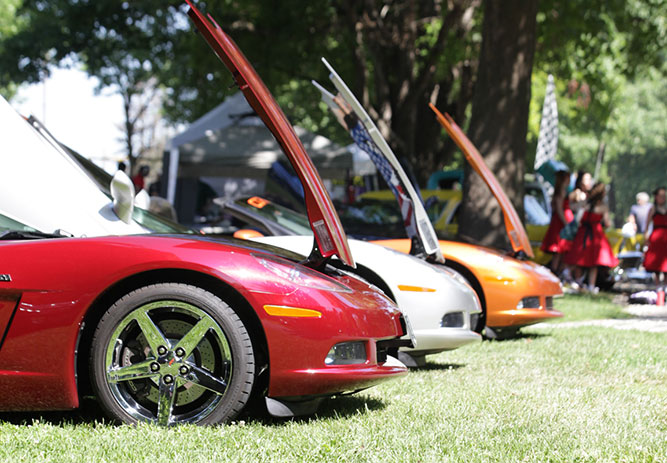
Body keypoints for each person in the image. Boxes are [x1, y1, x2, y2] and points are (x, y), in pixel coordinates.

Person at [564, 182, 618, 292]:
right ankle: (591, 286)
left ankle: (577, 280)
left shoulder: (585, 203)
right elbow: (607, 223)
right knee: (594, 262)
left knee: (579, 259)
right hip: (595, 234)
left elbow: (573, 208)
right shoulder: (603, 207)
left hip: (583, 233)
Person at [540, 170, 573, 274]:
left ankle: (557, 270)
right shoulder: (560, 192)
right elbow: (559, 209)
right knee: (558, 249)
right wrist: (566, 224)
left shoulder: (563, 191)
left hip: (560, 223)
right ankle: (554, 271)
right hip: (560, 224)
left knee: (561, 251)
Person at [644, 186, 667, 285]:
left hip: (665, 238)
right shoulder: (652, 209)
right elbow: (647, 226)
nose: (663, 198)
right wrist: (646, 240)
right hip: (656, 238)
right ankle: (657, 285)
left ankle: (665, 287)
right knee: (656, 264)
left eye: (664, 196)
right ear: (656, 197)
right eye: (661, 196)